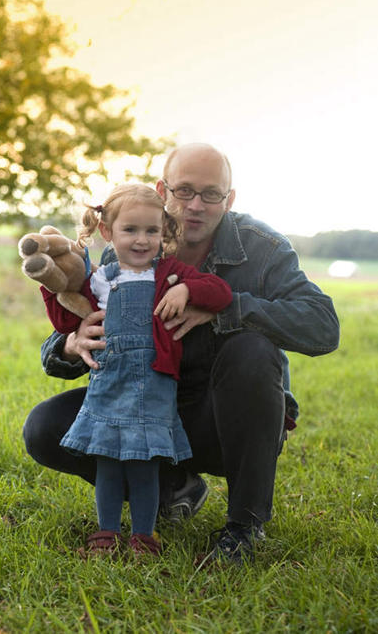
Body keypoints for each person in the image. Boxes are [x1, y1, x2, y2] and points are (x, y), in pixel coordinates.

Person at [23, 143, 340, 564]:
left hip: (224, 418)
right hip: (143, 407)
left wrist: (223, 308)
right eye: (184, 190)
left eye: (211, 195)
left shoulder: (262, 248)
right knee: (45, 427)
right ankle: (171, 486)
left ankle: (245, 527)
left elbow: (322, 325)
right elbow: (61, 337)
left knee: (251, 349)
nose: (195, 205)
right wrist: (71, 342)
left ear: (229, 200)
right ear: (162, 189)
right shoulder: (130, 242)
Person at [37, 183, 232, 556]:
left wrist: (187, 292)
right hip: (108, 385)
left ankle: (144, 535)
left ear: (164, 233)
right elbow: (65, 318)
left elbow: (220, 292)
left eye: (152, 231)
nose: (142, 240)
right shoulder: (99, 279)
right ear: (108, 232)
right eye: (130, 230)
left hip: (155, 389)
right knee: (108, 462)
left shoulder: (170, 274)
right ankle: (107, 532)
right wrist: (50, 287)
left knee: (145, 466)